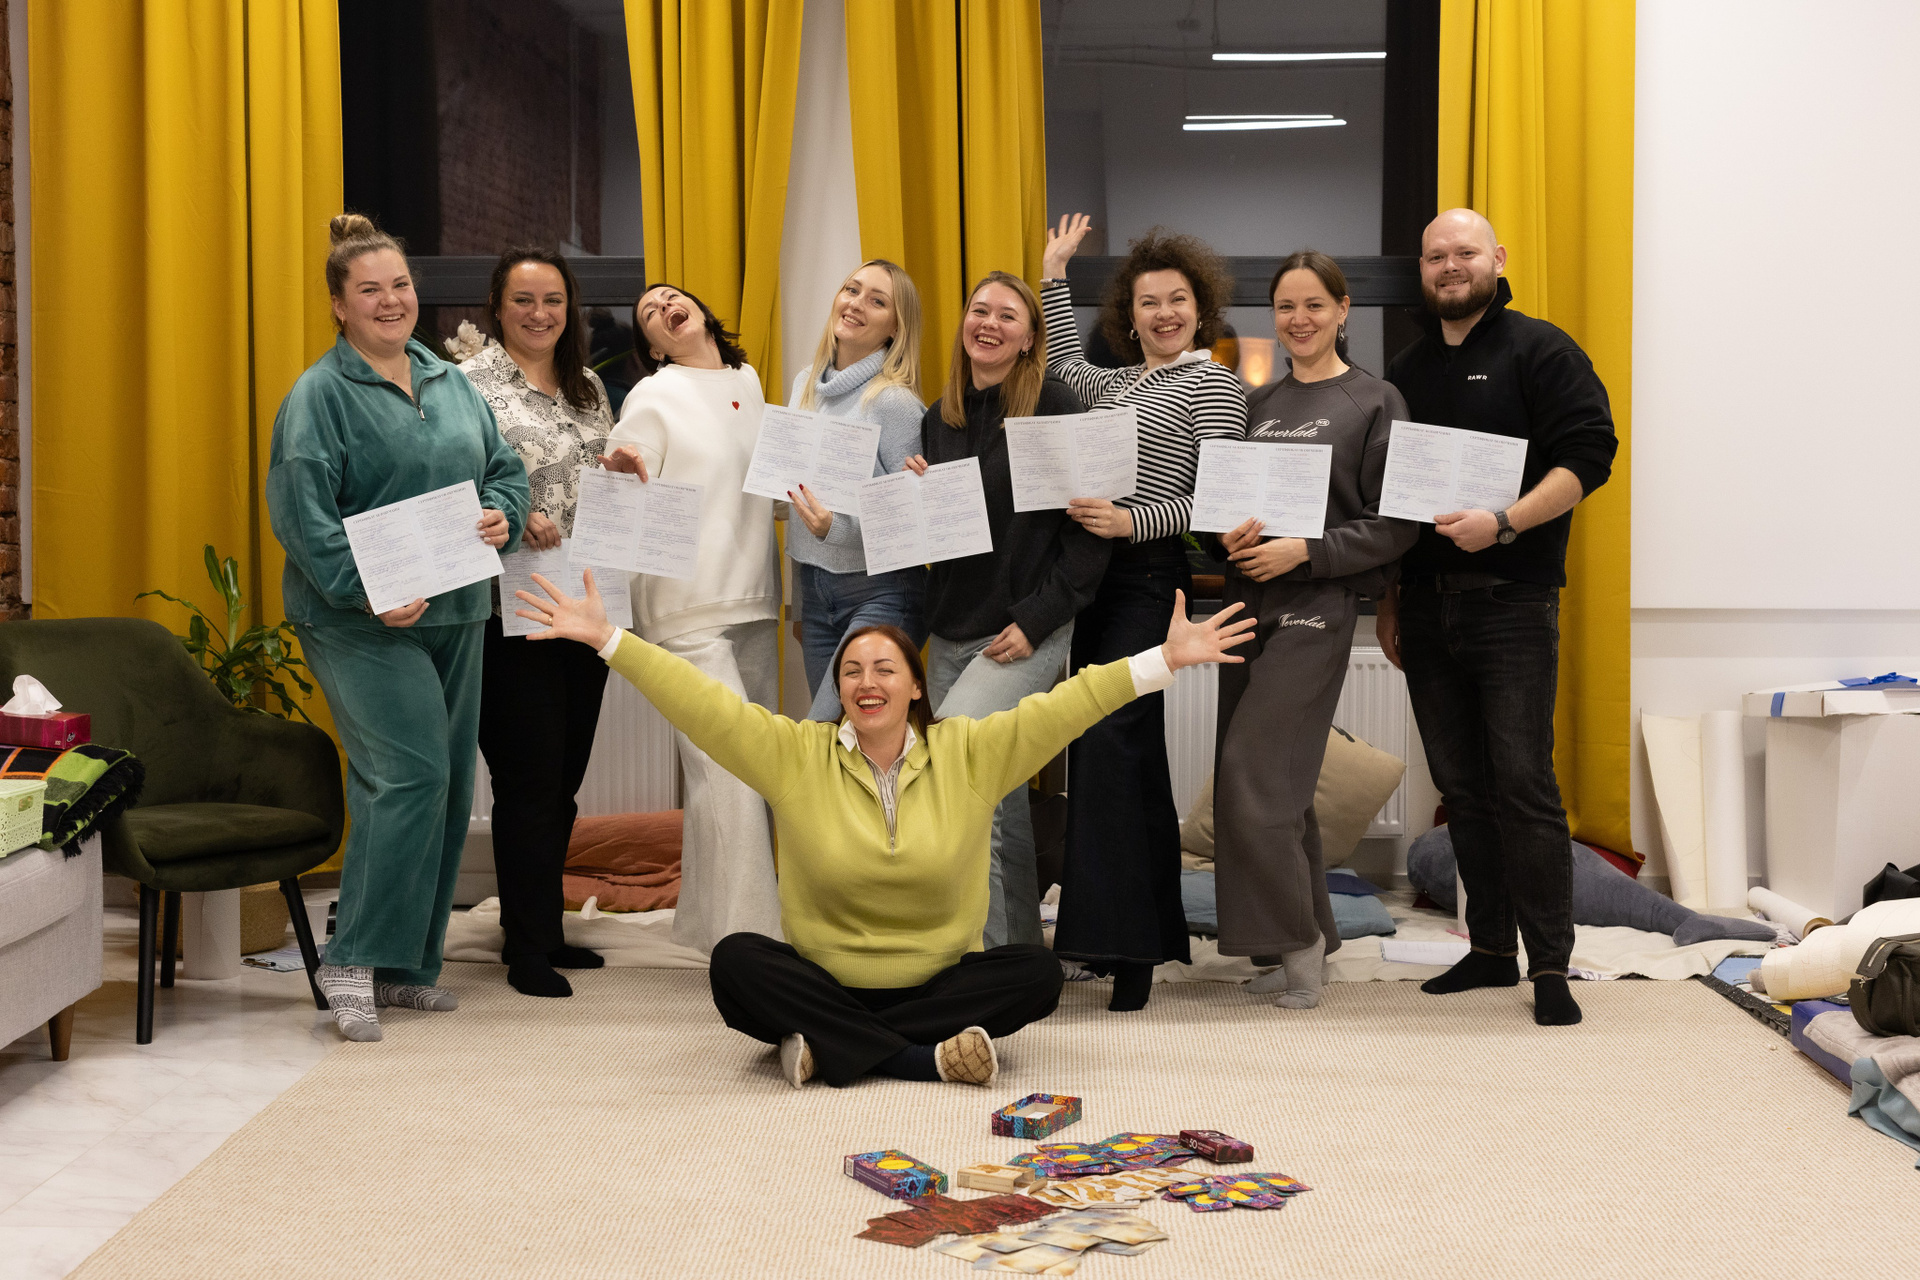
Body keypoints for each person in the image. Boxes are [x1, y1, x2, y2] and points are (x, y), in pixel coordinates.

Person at [512, 572, 1254, 1087]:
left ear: (915, 685)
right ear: (839, 689)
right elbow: (704, 707)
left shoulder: (972, 752)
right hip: (829, 979)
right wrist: (609, 639)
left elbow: (1072, 703)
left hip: (939, 981)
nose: (867, 682)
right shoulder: (795, 756)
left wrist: (1164, 659)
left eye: (885, 669)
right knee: (737, 962)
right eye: (852, 671)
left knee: (1033, 972)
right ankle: (916, 1058)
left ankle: (829, 1046)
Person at [266, 214, 529, 1042]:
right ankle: (350, 958)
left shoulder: (451, 383)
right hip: (357, 619)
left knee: (444, 788)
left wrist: (503, 514)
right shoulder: (318, 397)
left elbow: (504, 471)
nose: (390, 301)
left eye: (401, 286)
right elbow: (301, 515)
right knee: (407, 777)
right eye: (370, 289)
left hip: (457, 607)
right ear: (339, 305)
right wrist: (362, 591)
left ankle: (406, 967)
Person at [1379, 208, 1618, 1027]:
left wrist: (1506, 523)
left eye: (1465, 252)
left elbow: (1590, 457)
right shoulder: (1405, 370)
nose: (1451, 266)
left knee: (1524, 783)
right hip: (1424, 605)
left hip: (1512, 601)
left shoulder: (1542, 350)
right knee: (1462, 789)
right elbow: (1396, 498)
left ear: (1498, 259)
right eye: (1435, 255)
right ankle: (1488, 950)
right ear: (1421, 269)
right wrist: (1391, 602)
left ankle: (1550, 963)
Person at [1035, 216, 1248, 1010]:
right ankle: (1131, 938)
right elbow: (1062, 365)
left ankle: (1123, 950)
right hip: (1091, 582)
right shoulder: (1115, 383)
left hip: (1149, 579)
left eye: (1177, 300)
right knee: (1109, 753)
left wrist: (1133, 521)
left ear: (1200, 308)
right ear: (1130, 314)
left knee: (1111, 743)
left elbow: (1217, 499)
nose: (1164, 314)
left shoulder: (1212, 384)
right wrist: (1053, 275)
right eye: (1149, 302)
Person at [1212, 250, 1419, 1010]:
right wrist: (1226, 538)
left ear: (1342, 310)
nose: (1298, 320)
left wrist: (1307, 550)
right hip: (1247, 609)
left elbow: (1398, 523)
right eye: (1285, 307)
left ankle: (1296, 948)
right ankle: (1303, 941)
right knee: (1279, 788)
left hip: (1317, 608)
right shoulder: (1257, 404)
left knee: (1254, 772)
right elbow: (1230, 508)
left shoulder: (1375, 400)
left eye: (1313, 305)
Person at [904, 272, 1106, 951]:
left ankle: (979, 962)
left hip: (1026, 629)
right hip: (951, 629)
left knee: (960, 775)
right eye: (979, 310)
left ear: (1028, 338)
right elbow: (948, 540)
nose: (989, 323)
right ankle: (1019, 955)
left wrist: (1038, 619)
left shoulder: (1056, 406)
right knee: (999, 798)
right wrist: (918, 502)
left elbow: (1089, 534)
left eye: (1007, 316)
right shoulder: (940, 417)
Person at [601, 283, 782, 953]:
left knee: (749, 770)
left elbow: (766, 488)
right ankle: (754, 942)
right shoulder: (654, 395)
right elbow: (625, 478)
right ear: (653, 346)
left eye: (672, 297)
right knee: (727, 777)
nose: (663, 307)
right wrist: (625, 471)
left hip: (755, 597)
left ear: (702, 312)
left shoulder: (749, 381)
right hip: (682, 607)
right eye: (648, 311)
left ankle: (707, 925)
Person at [458, 247, 615, 999]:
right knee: (527, 780)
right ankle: (524, 948)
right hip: (506, 610)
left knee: (563, 782)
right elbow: (447, 483)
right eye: (523, 300)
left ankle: (544, 929)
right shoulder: (467, 386)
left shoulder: (589, 387)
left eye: (552, 299)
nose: (539, 313)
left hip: (583, 608)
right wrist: (512, 513)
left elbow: (597, 481)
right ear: (497, 306)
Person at [784, 260, 928, 720]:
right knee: (834, 737)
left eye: (877, 301)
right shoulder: (804, 384)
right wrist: (801, 606)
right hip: (815, 591)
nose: (856, 304)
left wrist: (836, 528)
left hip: (880, 591)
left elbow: (914, 522)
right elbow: (797, 503)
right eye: (852, 289)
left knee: (825, 727)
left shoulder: (895, 402)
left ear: (895, 328)